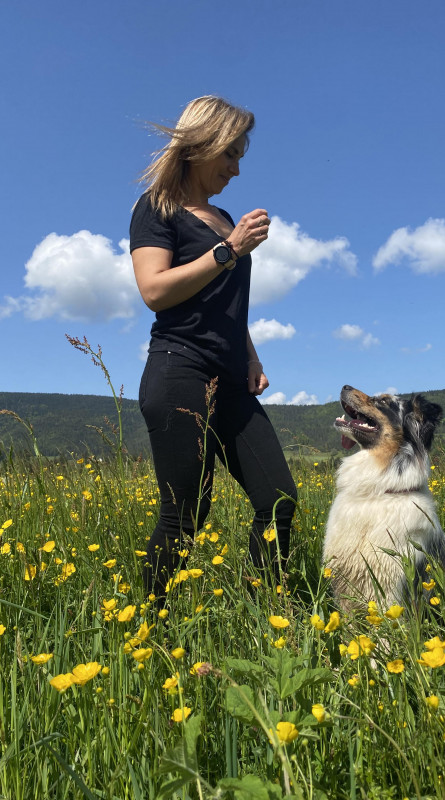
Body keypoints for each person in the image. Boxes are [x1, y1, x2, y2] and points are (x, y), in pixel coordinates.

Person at [129, 96, 297, 601]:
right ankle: (150, 624)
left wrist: (250, 355)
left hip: (232, 378)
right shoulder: (156, 207)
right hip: (179, 368)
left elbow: (227, 301)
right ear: (202, 145)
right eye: (231, 155)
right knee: (185, 515)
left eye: (241, 157)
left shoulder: (223, 216)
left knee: (278, 499)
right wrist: (228, 251)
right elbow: (154, 290)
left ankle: (264, 610)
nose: (236, 169)